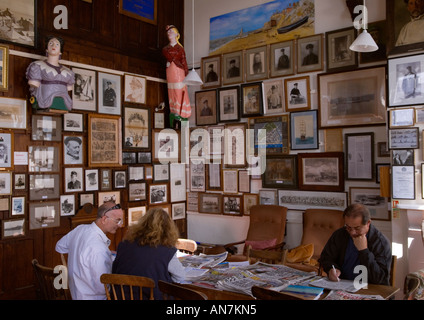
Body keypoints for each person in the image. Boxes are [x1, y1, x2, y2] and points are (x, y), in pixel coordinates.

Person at [112, 207, 188, 299]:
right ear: (168, 229)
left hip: (122, 296)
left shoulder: (124, 245)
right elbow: (180, 277)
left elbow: (114, 270)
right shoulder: (167, 251)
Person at [55, 202, 124, 299]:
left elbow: (60, 246)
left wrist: (78, 252)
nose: (120, 225)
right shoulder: (98, 249)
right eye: (118, 221)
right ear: (104, 219)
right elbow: (103, 288)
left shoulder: (80, 229)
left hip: (74, 294)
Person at [320, 203, 392, 285]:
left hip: (369, 288)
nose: (352, 232)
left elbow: (379, 279)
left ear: (368, 223)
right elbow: (326, 258)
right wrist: (331, 269)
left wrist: (364, 251)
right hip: (342, 285)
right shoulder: (340, 234)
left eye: (357, 228)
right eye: (348, 227)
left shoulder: (380, 242)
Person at [26, 36, 75, 111]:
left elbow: (69, 88)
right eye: (51, 43)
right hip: (44, 99)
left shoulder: (69, 71)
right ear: (46, 49)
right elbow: (34, 83)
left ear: (60, 51)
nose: (53, 46)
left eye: (57, 44)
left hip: (64, 102)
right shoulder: (37, 66)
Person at [162, 25, 191, 127]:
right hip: (170, 72)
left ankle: (181, 112)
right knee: (171, 91)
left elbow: (184, 62)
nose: (169, 33)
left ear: (176, 34)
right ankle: (174, 111)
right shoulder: (165, 49)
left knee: (180, 91)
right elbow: (168, 55)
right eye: (168, 31)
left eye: (171, 31)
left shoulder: (180, 49)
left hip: (179, 71)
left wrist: (187, 76)